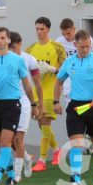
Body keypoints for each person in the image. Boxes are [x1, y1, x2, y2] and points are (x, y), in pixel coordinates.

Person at [53, 30, 93, 185]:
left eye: (88, 46)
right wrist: (56, 102)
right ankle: (76, 178)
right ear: (75, 45)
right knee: (76, 143)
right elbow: (58, 82)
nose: (85, 50)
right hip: (76, 107)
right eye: (82, 47)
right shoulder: (69, 62)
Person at [0, 27, 37, 185]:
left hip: (12, 104)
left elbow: (26, 84)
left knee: (6, 141)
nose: (0, 41)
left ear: (8, 40)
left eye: (3, 38)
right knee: (1, 141)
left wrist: (33, 104)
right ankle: (11, 176)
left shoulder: (17, 60)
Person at [26, 17, 66, 172]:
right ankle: (57, 151)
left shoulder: (57, 47)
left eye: (42, 29)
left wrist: (52, 69)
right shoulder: (30, 50)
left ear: (48, 29)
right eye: (37, 28)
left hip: (50, 92)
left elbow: (64, 70)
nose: (39, 32)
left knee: (45, 124)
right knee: (43, 126)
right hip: (36, 93)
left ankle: (42, 160)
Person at [9, 31, 44, 183]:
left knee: (18, 137)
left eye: (13, 46)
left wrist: (38, 105)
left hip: (24, 100)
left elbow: (37, 84)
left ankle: (17, 174)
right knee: (9, 140)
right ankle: (27, 158)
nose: (11, 49)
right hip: (7, 100)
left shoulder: (29, 59)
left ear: (20, 44)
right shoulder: (3, 59)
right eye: (9, 47)